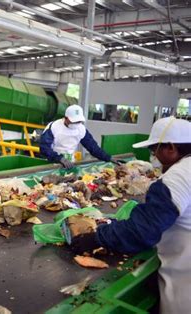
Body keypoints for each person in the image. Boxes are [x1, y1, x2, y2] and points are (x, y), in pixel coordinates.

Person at [71, 117, 191, 313]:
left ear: (171, 148)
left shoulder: (177, 178)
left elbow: (142, 231)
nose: (153, 155)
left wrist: (97, 237)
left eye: (155, 150)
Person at [40, 105, 119, 169]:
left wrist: (108, 157)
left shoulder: (81, 129)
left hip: (70, 162)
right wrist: (59, 158)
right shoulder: (54, 127)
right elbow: (44, 148)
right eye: (74, 121)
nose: (77, 123)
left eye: (79, 121)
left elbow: (93, 147)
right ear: (66, 118)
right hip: (52, 162)